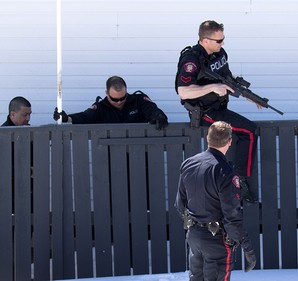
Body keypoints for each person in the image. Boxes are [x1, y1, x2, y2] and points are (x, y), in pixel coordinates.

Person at [175, 20, 261, 202]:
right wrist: (213, 87)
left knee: (245, 131)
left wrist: (247, 94)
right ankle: (240, 179)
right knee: (249, 131)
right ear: (205, 40)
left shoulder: (219, 54)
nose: (222, 43)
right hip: (205, 110)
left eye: (223, 39)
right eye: (218, 40)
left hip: (219, 106)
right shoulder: (191, 60)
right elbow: (183, 91)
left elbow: (227, 78)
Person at [175, 121, 256, 281]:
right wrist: (248, 248)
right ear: (230, 141)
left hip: (194, 236)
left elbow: (179, 204)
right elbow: (232, 216)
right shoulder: (226, 172)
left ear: (207, 138)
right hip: (216, 240)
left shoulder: (189, 163)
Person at [53, 75, 168, 130]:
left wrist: (158, 116)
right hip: (112, 160)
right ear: (107, 93)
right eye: (114, 99)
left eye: (122, 98)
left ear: (126, 91)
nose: (119, 102)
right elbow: (85, 117)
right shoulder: (101, 108)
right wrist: (66, 118)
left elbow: (151, 109)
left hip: (139, 155)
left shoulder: (138, 101)